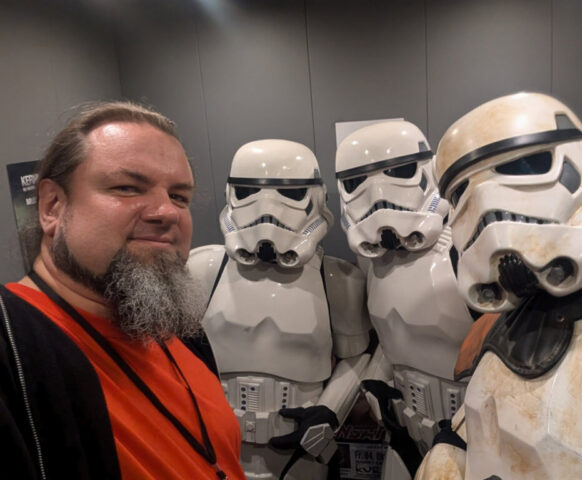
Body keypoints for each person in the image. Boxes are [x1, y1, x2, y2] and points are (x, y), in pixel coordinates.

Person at [0, 101, 245, 479]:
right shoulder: (13, 348)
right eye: (128, 188)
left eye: (179, 196)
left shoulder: (175, 328)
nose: (167, 212)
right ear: (52, 207)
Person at [417, 92, 582, 479]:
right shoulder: (509, 316)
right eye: (462, 192)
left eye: (524, 166)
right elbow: (482, 421)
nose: (487, 206)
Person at [188, 139, 372, 480]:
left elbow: (357, 357)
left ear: (317, 198)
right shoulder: (204, 269)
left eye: (289, 193)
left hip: (300, 450)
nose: (267, 209)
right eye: (249, 192)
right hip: (217, 445)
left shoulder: (337, 279)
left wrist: (329, 412)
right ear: (231, 195)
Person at [334, 120, 474, 479]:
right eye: (357, 182)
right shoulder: (373, 265)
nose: (378, 193)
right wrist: (376, 381)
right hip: (405, 436)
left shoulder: (467, 251)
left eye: (399, 172)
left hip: (474, 442)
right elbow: (393, 336)